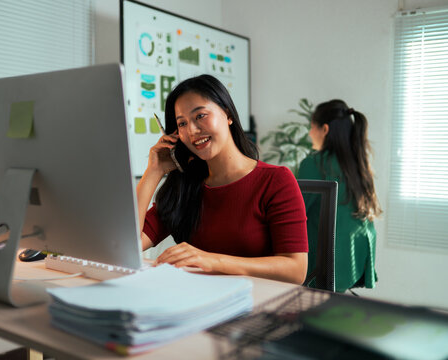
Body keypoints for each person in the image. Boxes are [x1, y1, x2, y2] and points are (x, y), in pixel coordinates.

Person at [136, 74, 308, 284]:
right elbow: (126, 245)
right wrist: (153, 171)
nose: (191, 130)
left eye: (200, 116)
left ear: (227, 114)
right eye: (182, 123)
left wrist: (212, 261)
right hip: (197, 303)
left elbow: (296, 270)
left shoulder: (276, 180)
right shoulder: (183, 188)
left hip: (256, 305)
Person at [297, 99, 381, 292]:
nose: (310, 133)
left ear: (324, 129)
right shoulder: (359, 163)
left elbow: (298, 212)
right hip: (354, 259)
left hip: (327, 263)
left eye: (312, 127)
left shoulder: (314, 163)